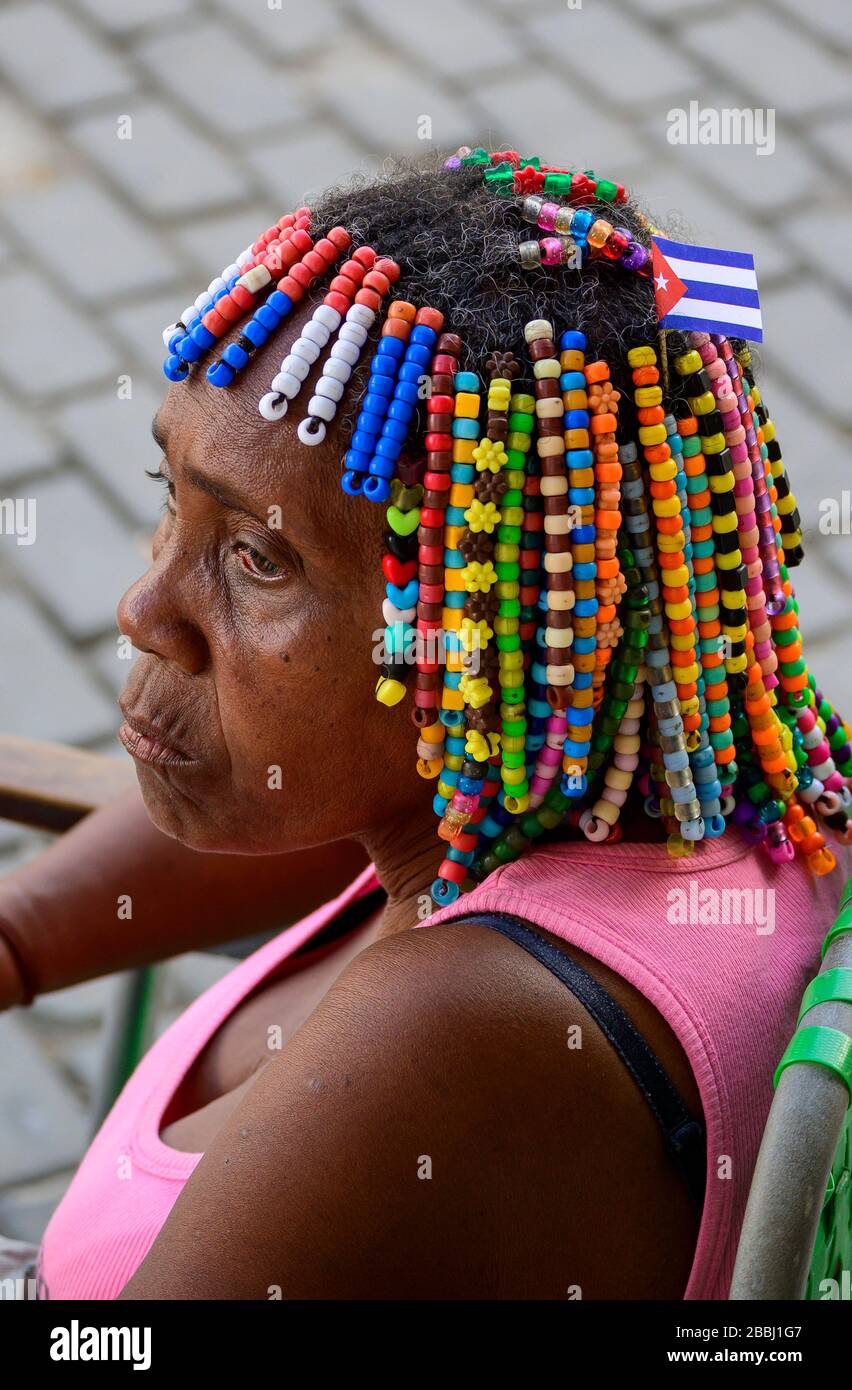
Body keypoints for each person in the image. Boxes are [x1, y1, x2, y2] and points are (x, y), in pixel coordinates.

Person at [1, 148, 848, 1301]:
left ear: (471, 644)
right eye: (172, 499)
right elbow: (292, 802)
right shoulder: (687, 793)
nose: (144, 609)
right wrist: (22, 934)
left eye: (258, 557)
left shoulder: (445, 1035)